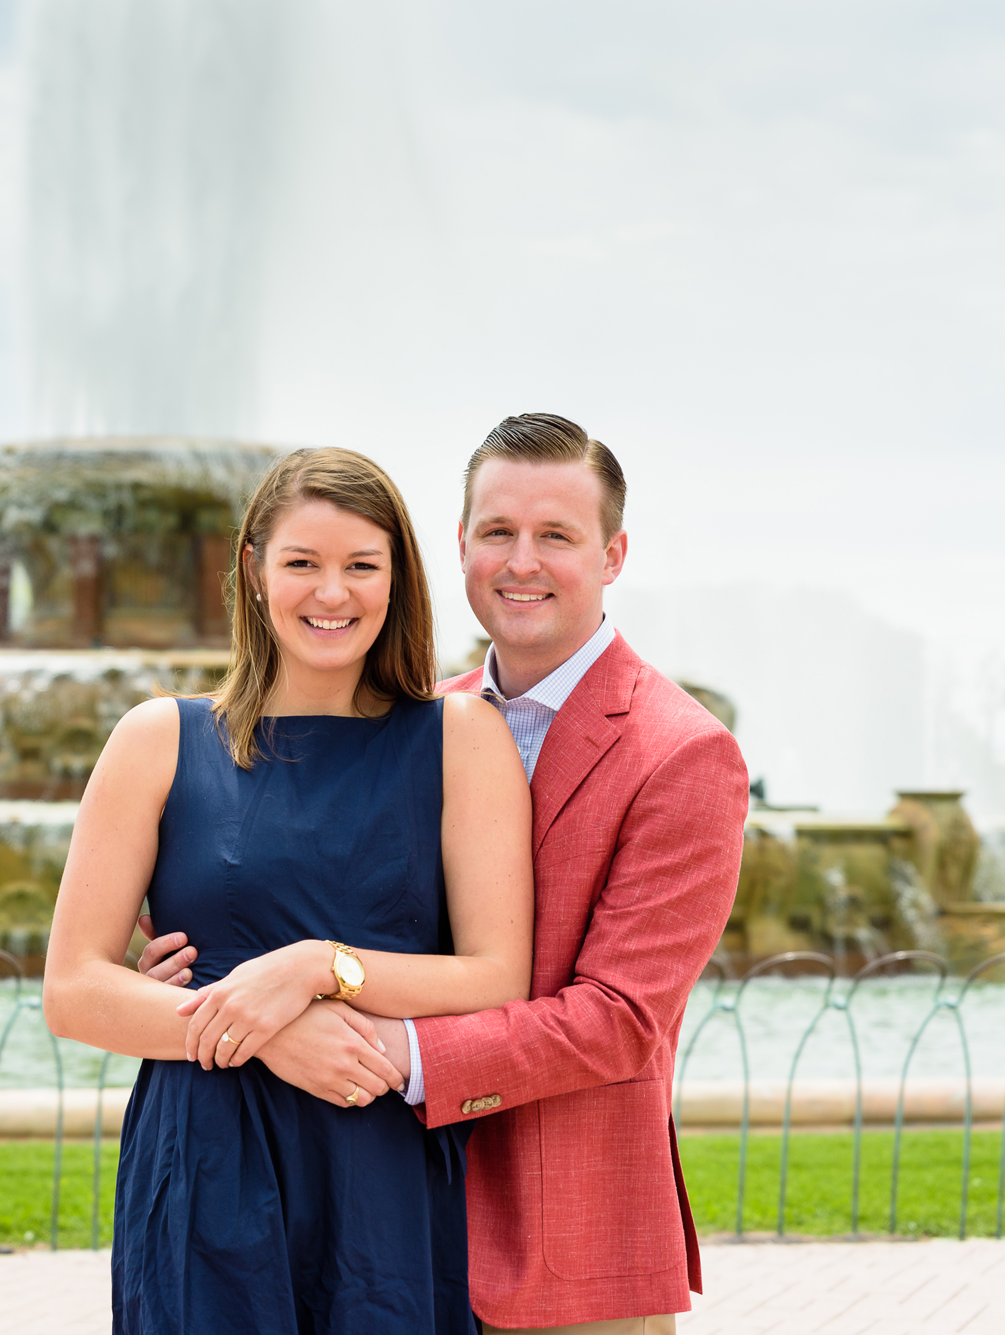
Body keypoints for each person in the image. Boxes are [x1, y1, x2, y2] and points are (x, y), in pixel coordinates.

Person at [141, 415, 748, 1334]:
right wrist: (212, 992)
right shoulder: (420, 724)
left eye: (557, 536)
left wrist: (378, 1042)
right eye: (497, 533)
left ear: (613, 553)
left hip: (566, 1250)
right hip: (389, 1226)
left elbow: (623, 1021)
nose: (521, 561)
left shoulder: (683, 753)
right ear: (459, 545)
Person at [43, 446, 536, 1334]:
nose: (332, 592)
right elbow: (74, 989)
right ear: (254, 570)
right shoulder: (157, 739)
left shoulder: (460, 735)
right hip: (205, 1164)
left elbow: (498, 974)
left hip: (381, 1160)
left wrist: (316, 968)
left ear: (398, 579)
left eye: (361, 565)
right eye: (302, 562)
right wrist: (262, 1033)